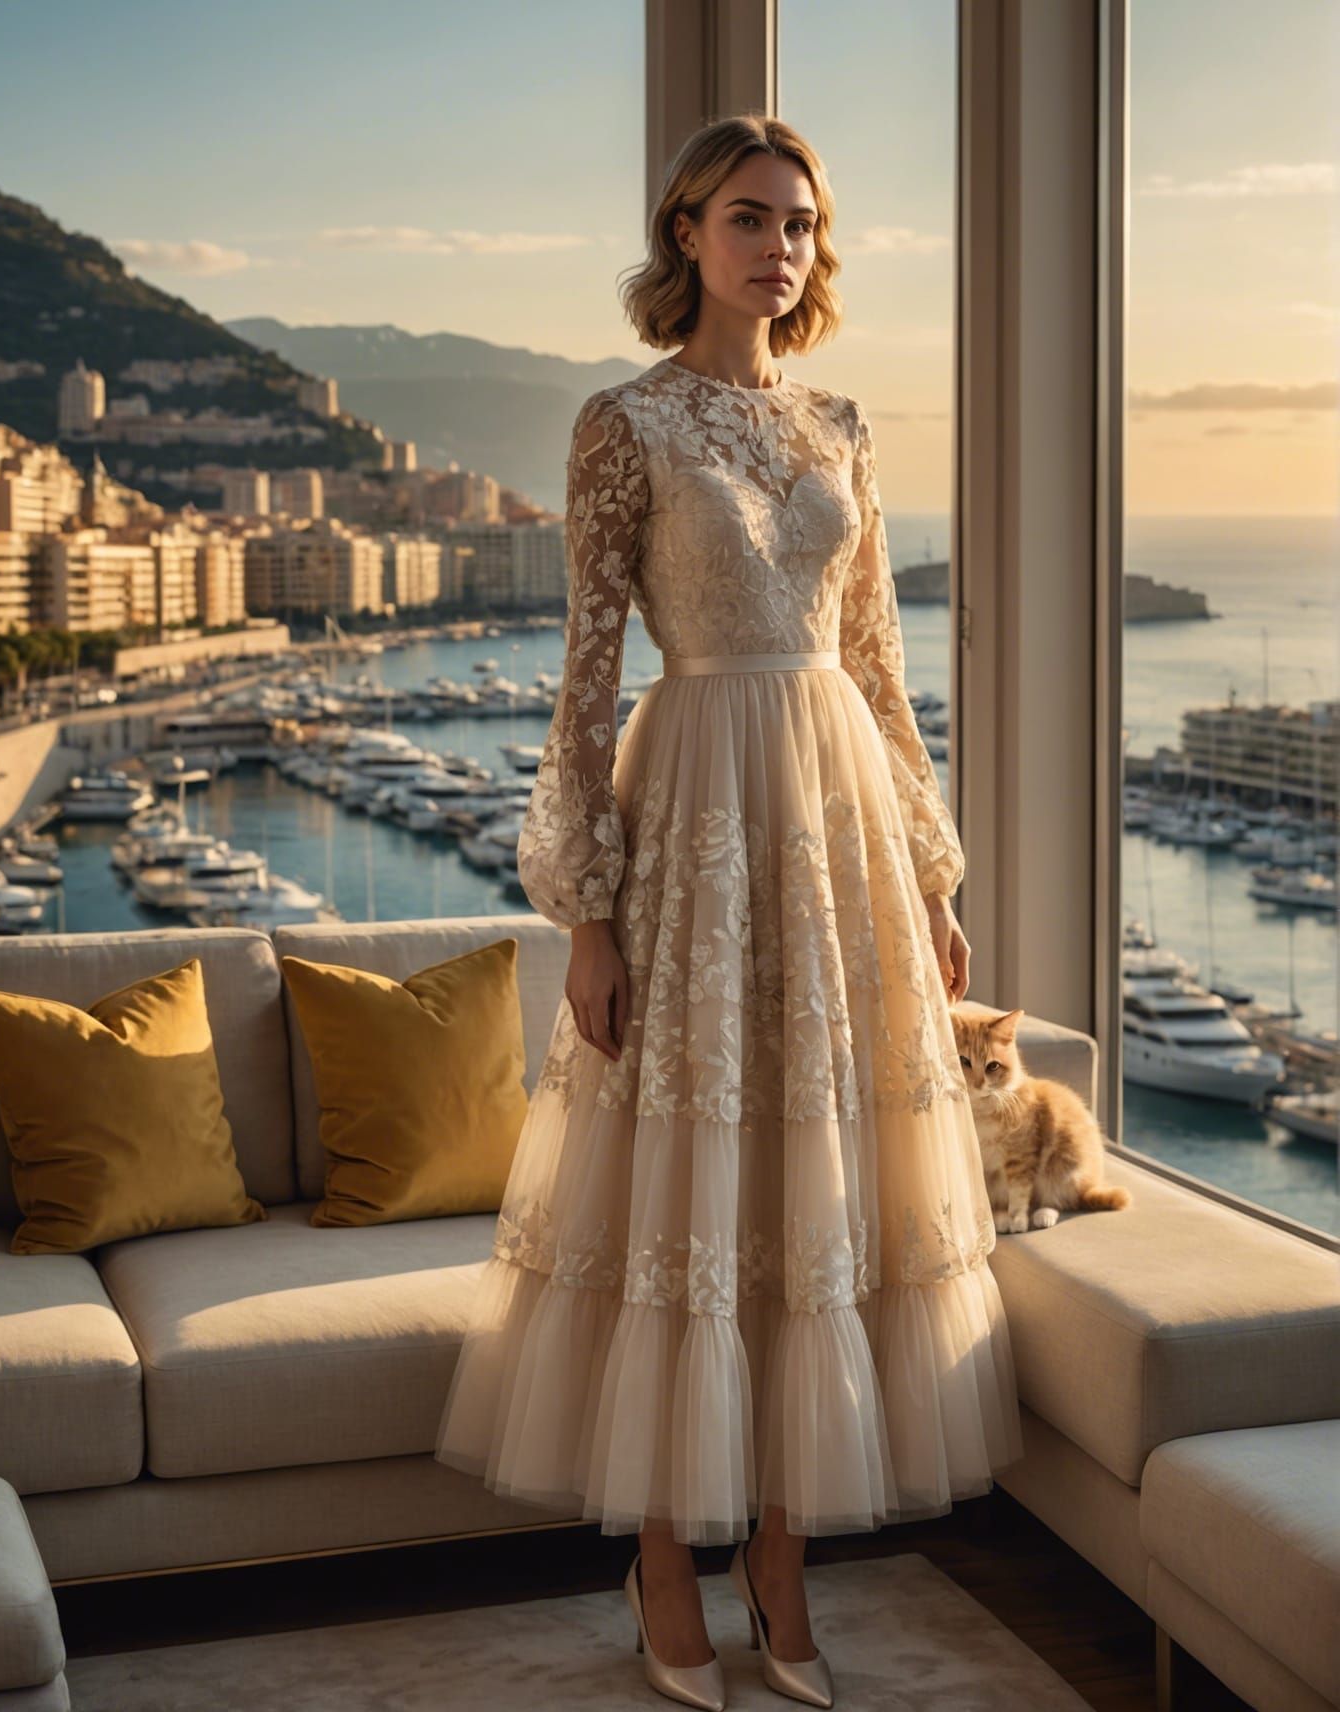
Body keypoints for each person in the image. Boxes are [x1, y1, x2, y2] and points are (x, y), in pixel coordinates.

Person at [433, 113, 1023, 1711]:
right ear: (686, 234)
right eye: (751, 218)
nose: (784, 248)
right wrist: (590, 916)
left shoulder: (841, 422)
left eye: (805, 225)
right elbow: (580, 685)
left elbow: (887, 669)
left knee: (811, 1196)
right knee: (687, 1196)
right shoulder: (622, 423)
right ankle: (662, 1565)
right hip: (691, 812)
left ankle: (782, 1556)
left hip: (836, 836)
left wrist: (930, 872)